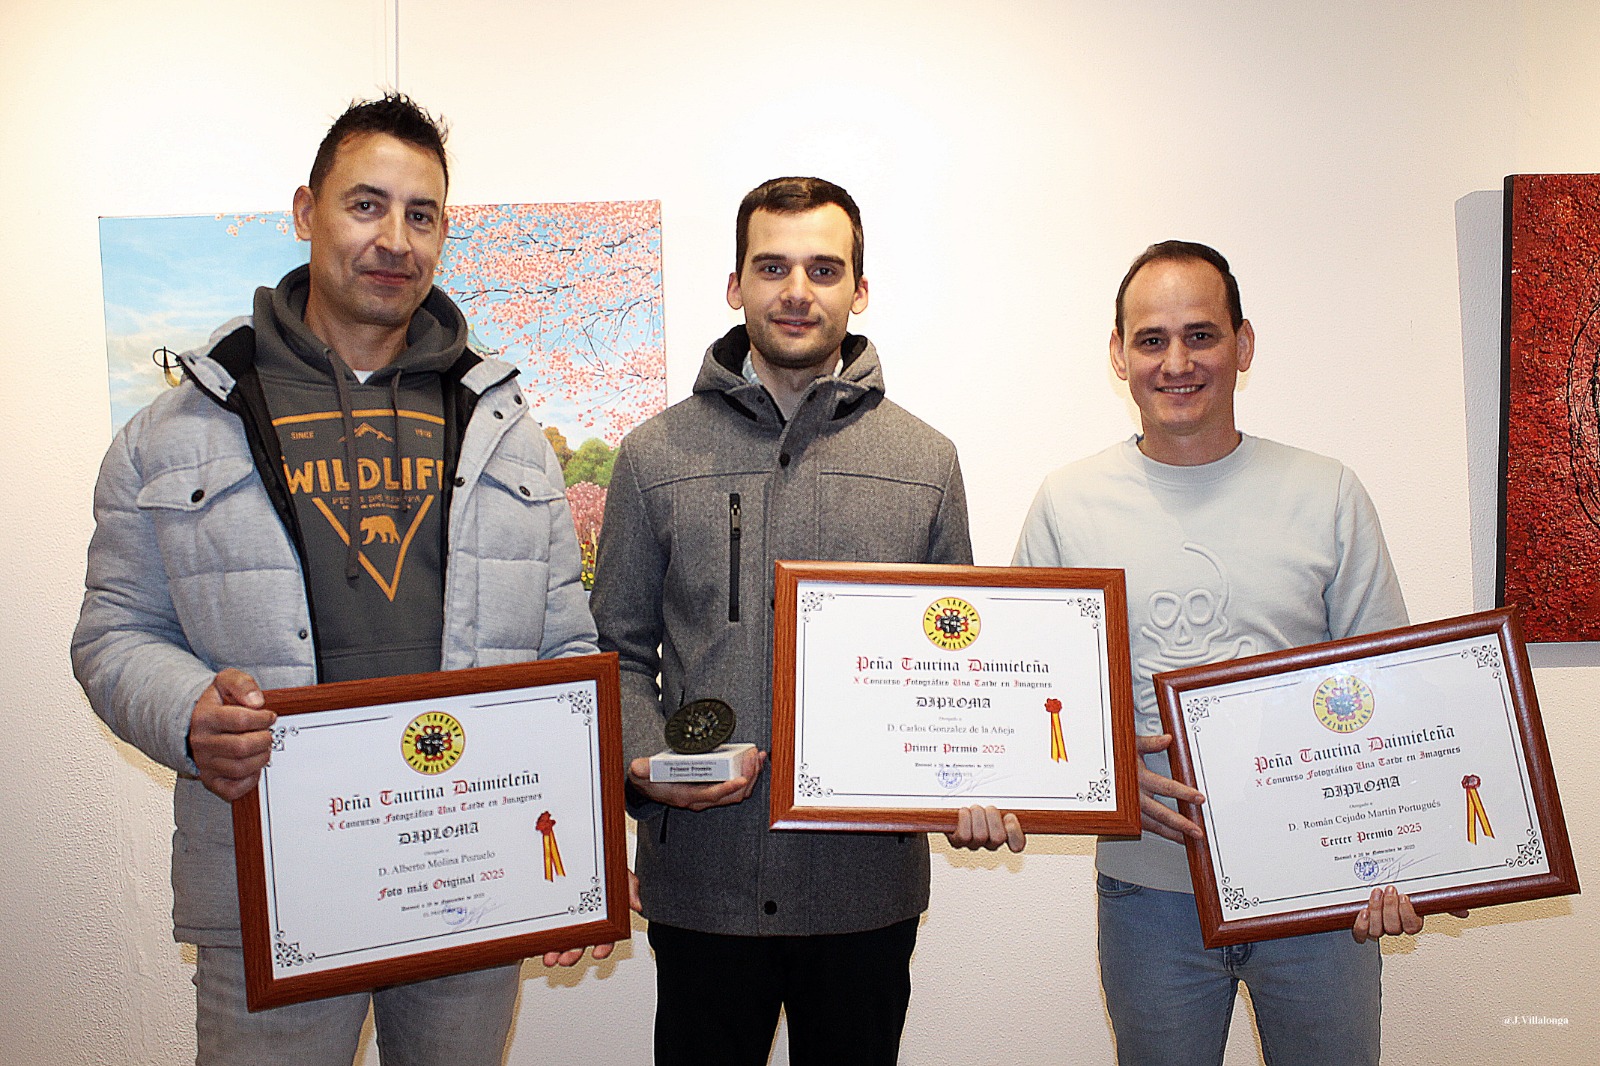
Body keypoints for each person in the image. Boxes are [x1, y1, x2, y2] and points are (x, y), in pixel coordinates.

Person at [72, 93, 606, 1066]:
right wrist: (192, 711)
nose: (392, 239)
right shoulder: (178, 428)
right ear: (305, 209)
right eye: (365, 205)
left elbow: (566, 649)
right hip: (273, 891)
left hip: (468, 880)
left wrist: (576, 859)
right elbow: (112, 630)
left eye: (421, 214)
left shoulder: (508, 428)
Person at [590, 176, 1019, 1066]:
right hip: (702, 876)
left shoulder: (925, 461)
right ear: (735, 283)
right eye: (772, 266)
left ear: (859, 290)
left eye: (824, 269)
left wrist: (975, 781)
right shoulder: (654, 455)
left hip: (863, 890)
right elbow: (617, 651)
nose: (797, 290)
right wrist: (640, 765)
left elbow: (961, 669)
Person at [1012, 241, 1456, 1065]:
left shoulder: (1327, 493)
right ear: (1118, 354)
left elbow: (1392, 699)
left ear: (1243, 345)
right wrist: (1098, 780)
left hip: (1321, 901)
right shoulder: (1067, 504)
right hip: (1148, 898)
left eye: (1201, 335)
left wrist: (1404, 863)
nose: (1176, 361)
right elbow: (1026, 705)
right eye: (1151, 340)